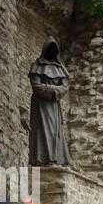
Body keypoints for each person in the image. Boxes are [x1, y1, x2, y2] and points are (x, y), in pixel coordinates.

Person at [28, 36, 69, 166]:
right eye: (49, 49)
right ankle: (41, 160)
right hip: (40, 106)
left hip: (54, 105)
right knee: (42, 131)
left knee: (54, 132)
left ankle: (55, 158)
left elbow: (64, 88)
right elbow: (36, 87)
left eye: (54, 49)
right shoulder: (37, 66)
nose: (51, 51)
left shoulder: (60, 68)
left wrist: (51, 89)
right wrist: (54, 89)